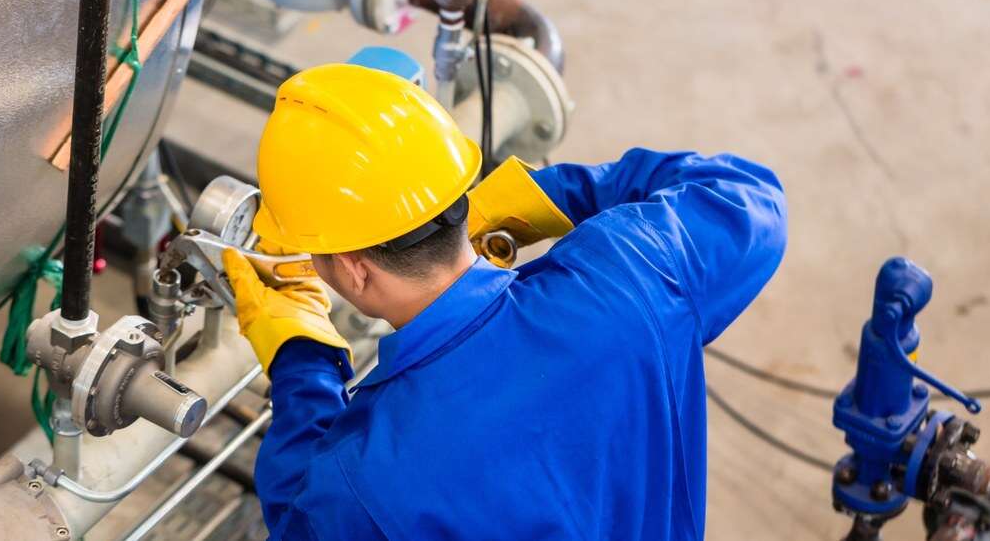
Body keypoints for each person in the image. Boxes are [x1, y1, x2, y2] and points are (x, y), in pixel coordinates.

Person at [221, 61, 787, 540]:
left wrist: (303, 357)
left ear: (351, 269)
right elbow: (747, 196)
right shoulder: (632, 273)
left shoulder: (366, 477)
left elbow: (301, 514)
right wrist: (548, 197)